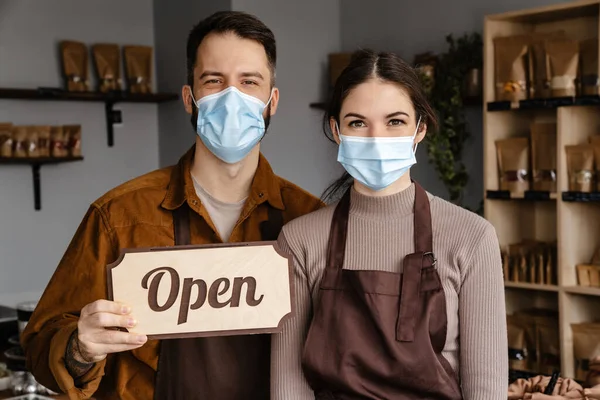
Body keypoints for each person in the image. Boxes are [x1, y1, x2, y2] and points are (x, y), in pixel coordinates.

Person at [21, 11, 323, 400]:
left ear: (272, 101)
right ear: (189, 97)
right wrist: (79, 349)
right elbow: (41, 347)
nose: (232, 98)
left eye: (249, 82)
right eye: (214, 80)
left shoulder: (311, 220)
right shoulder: (119, 217)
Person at [271, 49, 508, 399]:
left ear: (420, 129)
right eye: (357, 122)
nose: (376, 138)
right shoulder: (300, 240)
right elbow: (289, 385)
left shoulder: (472, 237)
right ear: (336, 131)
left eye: (394, 121)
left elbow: (486, 388)